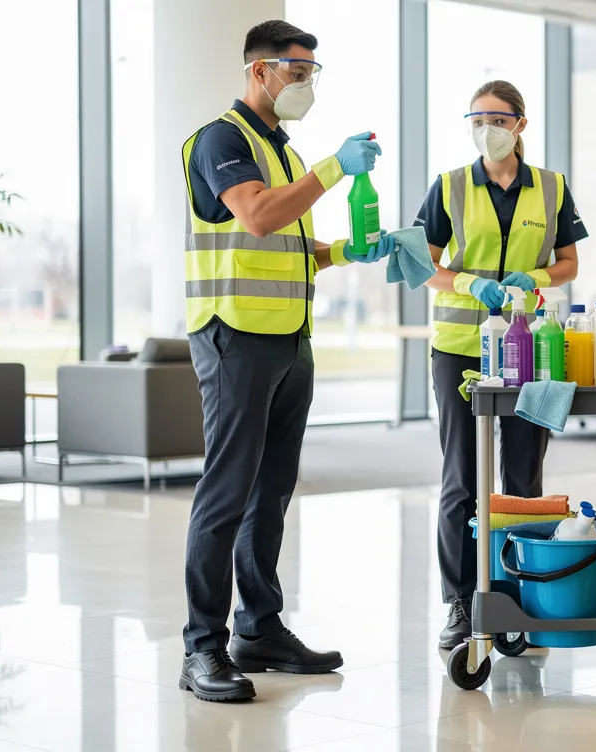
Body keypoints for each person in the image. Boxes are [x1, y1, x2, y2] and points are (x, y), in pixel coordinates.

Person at [180, 20, 399, 702]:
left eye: (311, 74)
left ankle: (259, 629)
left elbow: (285, 244)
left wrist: (344, 253)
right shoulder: (221, 139)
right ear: (259, 71)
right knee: (226, 493)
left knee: (271, 491)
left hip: (287, 338)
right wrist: (333, 169)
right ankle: (202, 649)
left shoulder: (280, 150)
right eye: (295, 72)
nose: (305, 84)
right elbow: (256, 219)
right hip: (234, 337)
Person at [416, 80, 587, 650]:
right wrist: (470, 283)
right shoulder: (449, 187)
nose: (485, 128)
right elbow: (424, 264)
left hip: (531, 350)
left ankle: (519, 596)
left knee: (523, 480)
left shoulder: (553, 188)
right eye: (475, 119)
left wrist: (531, 281)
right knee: (461, 480)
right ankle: (462, 603)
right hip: (462, 347)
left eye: (496, 119)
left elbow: (568, 263)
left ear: (520, 125)